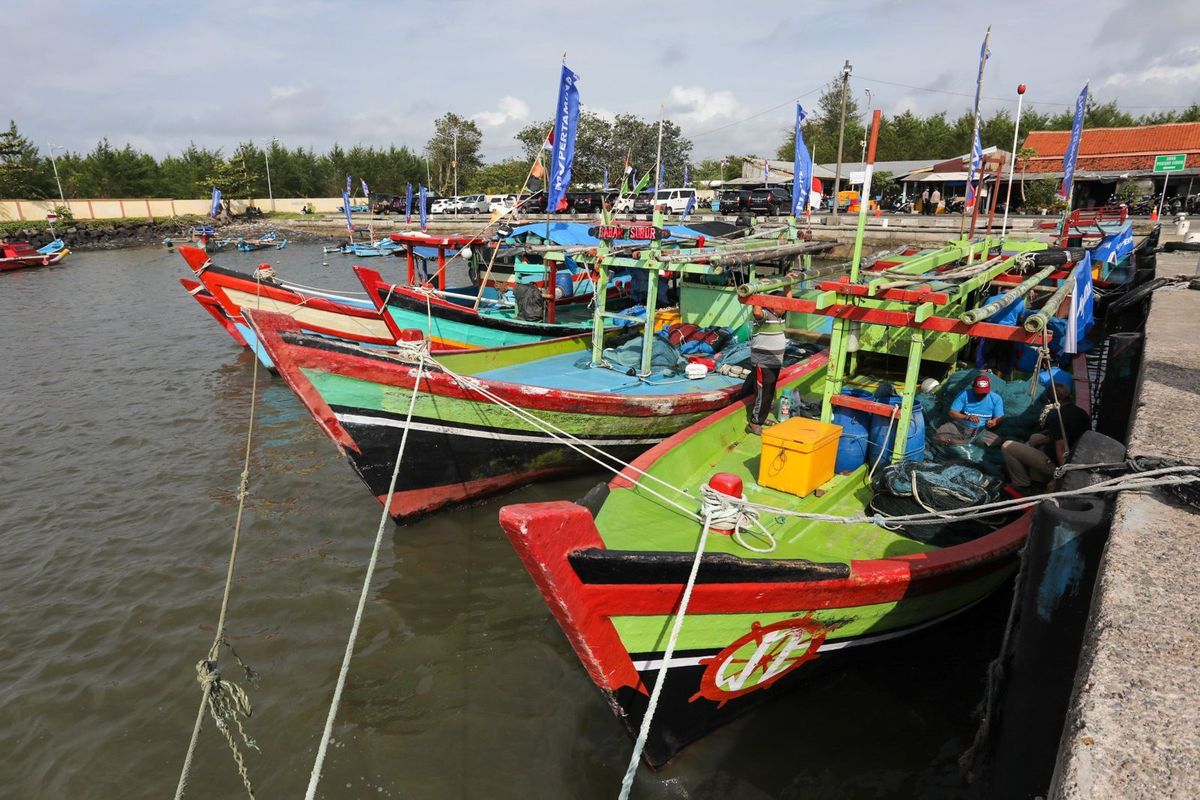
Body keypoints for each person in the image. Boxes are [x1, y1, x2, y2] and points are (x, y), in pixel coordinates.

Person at [1002, 383, 1092, 491]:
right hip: (1077, 457)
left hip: (1057, 464)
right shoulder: (1081, 413)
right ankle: (1036, 476)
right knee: (1034, 438)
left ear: (1051, 401)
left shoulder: (1057, 417)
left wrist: (1062, 475)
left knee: (1007, 446)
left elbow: (1061, 448)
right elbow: (1065, 435)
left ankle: (1022, 484)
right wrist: (1038, 442)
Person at [743, 286, 792, 435]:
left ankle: (762, 418)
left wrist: (789, 284)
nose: (784, 307)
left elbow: (789, 300)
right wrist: (758, 293)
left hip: (775, 361)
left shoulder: (781, 316)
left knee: (770, 391)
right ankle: (754, 423)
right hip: (763, 361)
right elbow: (756, 311)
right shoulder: (765, 315)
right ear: (771, 305)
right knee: (762, 392)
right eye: (780, 304)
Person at [936, 373, 1004, 446]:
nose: (981, 395)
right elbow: (952, 412)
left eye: (984, 393)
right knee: (939, 436)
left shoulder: (996, 398)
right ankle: (964, 442)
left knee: (999, 442)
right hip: (959, 426)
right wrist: (967, 417)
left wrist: (994, 422)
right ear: (973, 387)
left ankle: (959, 442)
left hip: (980, 431)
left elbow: (999, 417)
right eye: (979, 392)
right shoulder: (964, 394)